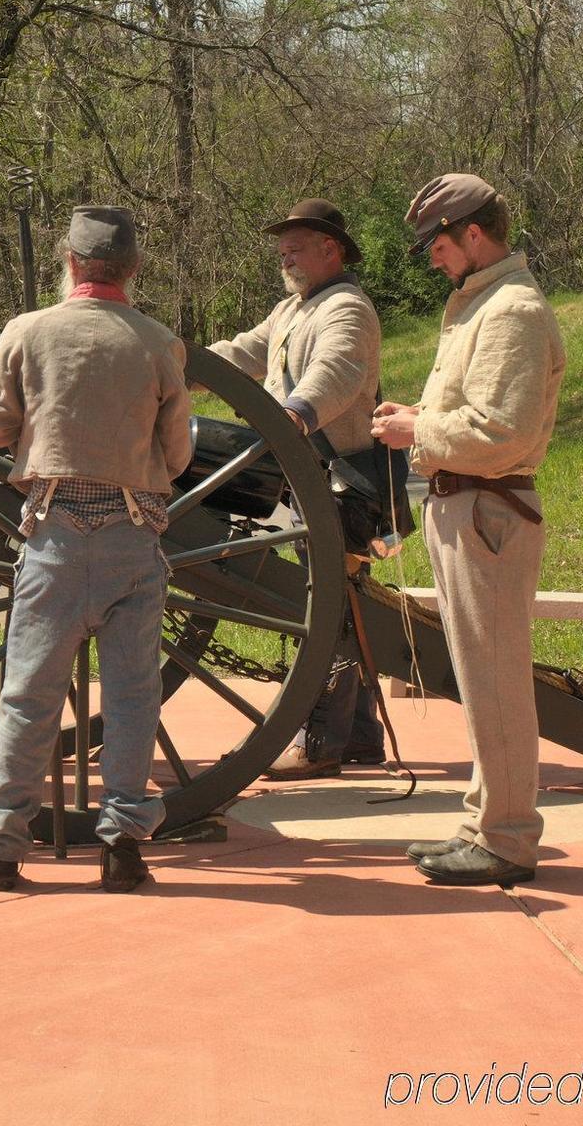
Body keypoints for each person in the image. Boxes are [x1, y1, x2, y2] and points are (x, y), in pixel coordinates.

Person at [0, 205, 194, 893]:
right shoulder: (159, 343)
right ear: (132, 269)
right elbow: (178, 454)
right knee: (132, 700)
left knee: (28, 696)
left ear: (68, 262)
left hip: (55, 538)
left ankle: (1, 847)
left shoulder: (27, 332)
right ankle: (123, 845)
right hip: (132, 540)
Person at [371, 175, 564, 887]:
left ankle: (508, 839)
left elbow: (500, 433)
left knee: (496, 681)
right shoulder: (483, 304)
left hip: (486, 510)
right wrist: (418, 415)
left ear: (474, 236)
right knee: (482, 680)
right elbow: (474, 413)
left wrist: (415, 428)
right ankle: (487, 822)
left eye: (438, 244)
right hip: (468, 508)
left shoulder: (509, 310)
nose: (431, 260)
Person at [209, 198, 387, 779]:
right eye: (281, 246)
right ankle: (358, 735)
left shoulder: (347, 309)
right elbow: (239, 354)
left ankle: (320, 742)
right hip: (309, 477)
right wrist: (172, 366)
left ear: (330, 249)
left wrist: (292, 418)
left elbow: (334, 374)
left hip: (344, 479)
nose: (283, 254)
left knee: (328, 606)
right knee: (342, 602)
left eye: (295, 245)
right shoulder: (291, 309)